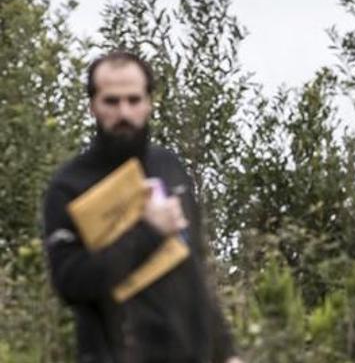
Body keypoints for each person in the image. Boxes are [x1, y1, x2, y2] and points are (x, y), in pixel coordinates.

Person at [42, 51, 243, 363]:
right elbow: (70, 282)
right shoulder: (69, 185)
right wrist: (148, 231)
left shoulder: (170, 166)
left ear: (149, 103)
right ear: (92, 105)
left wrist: (225, 352)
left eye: (134, 100)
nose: (124, 112)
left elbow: (194, 270)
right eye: (112, 101)